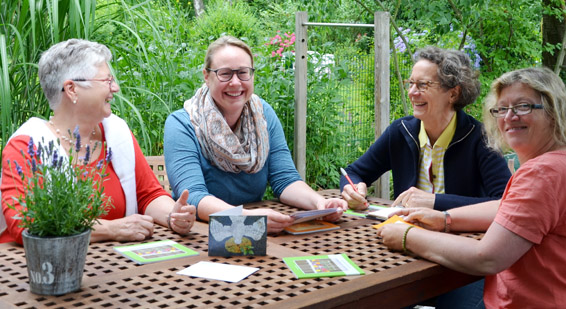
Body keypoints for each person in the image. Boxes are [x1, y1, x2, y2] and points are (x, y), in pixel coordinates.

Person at [378, 67, 566, 307]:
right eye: (502, 109)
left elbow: (486, 257)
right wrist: (444, 219)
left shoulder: (543, 173)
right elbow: (506, 209)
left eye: (523, 106)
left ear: (554, 112)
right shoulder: (565, 159)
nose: (509, 117)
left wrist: (407, 236)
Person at [0, 39, 197, 244]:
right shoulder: (25, 146)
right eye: (107, 81)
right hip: (37, 269)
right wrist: (111, 229)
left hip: (115, 264)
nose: (116, 88)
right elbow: (25, 224)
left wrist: (173, 216)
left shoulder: (116, 133)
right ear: (72, 89)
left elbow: (148, 194)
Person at [163, 36, 347, 233]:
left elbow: (285, 179)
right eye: (224, 74)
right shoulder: (182, 124)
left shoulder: (263, 114)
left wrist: (320, 203)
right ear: (207, 76)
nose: (235, 83)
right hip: (199, 233)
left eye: (243, 73)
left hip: (257, 234)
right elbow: (193, 197)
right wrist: (249, 218)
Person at [340, 46, 511, 211]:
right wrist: (353, 188)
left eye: (423, 85)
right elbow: (353, 172)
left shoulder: (480, 138)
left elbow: (503, 201)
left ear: (453, 94)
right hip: (404, 232)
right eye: (411, 83)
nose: (412, 92)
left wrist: (434, 201)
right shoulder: (400, 131)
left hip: (462, 236)